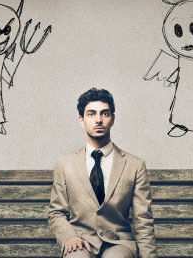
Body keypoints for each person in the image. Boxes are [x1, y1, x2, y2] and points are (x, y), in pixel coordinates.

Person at [48, 88, 157, 258]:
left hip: (119, 243)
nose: (98, 120)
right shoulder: (65, 163)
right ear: (81, 120)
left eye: (104, 114)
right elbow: (57, 212)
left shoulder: (135, 165)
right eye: (91, 114)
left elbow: (142, 219)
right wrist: (69, 237)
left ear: (112, 119)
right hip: (80, 241)